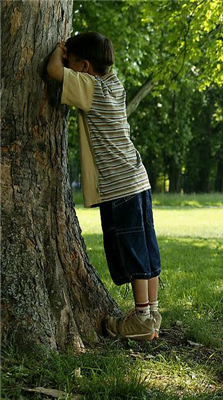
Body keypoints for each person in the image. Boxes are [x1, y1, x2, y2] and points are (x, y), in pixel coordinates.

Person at [47, 32, 162, 340]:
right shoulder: (114, 84)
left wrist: (58, 53)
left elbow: (53, 72)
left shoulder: (89, 86)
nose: (68, 66)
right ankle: (151, 314)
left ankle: (140, 320)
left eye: (73, 62)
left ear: (84, 66)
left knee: (133, 250)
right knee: (147, 247)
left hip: (120, 186)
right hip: (137, 178)